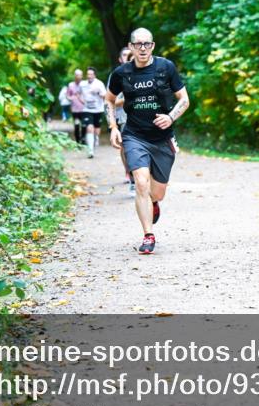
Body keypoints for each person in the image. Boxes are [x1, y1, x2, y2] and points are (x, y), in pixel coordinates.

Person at [106, 28, 190, 255]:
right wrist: (113, 127)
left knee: (157, 192)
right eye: (138, 44)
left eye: (147, 44)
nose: (142, 48)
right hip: (134, 135)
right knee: (141, 183)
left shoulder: (166, 68)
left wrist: (170, 116)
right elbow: (110, 100)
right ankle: (148, 235)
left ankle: (153, 203)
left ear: (152, 46)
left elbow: (184, 99)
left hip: (162, 138)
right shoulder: (121, 73)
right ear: (131, 47)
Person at [110, 48, 136, 196]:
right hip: (125, 117)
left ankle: (142, 178)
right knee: (126, 149)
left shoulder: (147, 71)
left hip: (145, 117)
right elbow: (110, 100)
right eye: (125, 55)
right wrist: (112, 125)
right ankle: (132, 178)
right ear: (121, 59)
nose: (129, 58)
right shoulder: (118, 75)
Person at [80, 67, 107, 158]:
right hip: (87, 110)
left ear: (94, 75)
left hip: (98, 109)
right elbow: (79, 94)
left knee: (96, 130)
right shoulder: (82, 84)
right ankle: (90, 150)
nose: (89, 76)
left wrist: (98, 92)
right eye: (88, 74)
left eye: (91, 74)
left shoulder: (99, 84)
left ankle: (95, 138)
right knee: (89, 128)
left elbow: (105, 95)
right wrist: (81, 100)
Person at [66, 69, 86, 145]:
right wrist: (72, 98)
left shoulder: (84, 84)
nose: (79, 77)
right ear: (75, 76)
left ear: (82, 76)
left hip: (84, 108)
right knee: (77, 125)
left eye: (80, 75)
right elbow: (67, 95)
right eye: (77, 75)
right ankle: (78, 140)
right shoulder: (71, 85)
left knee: (84, 125)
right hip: (75, 109)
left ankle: (83, 139)